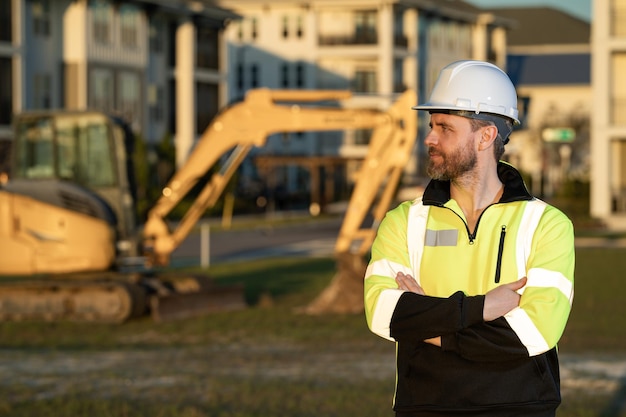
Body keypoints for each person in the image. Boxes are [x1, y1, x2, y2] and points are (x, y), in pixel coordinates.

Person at [364, 60, 575, 417]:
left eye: (445, 127)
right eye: (431, 126)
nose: (430, 138)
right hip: (427, 406)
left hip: (519, 407)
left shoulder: (547, 224)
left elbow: (533, 333)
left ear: (486, 136)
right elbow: (385, 314)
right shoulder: (403, 221)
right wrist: (481, 308)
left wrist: (432, 325)